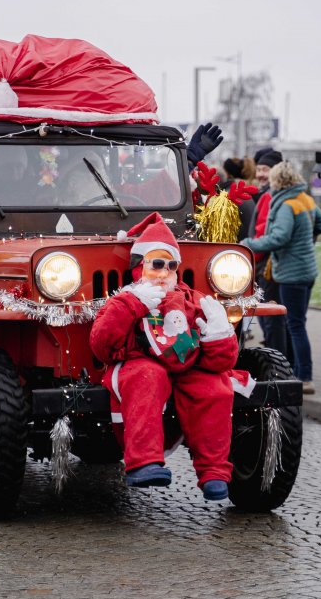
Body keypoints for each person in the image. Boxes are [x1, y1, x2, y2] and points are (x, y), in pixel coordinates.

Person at [89, 212, 242, 501]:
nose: (163, 273)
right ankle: (144, 462)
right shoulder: (125, 298)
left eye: (171, 266)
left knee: (214, 388)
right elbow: (103, 345)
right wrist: (131, 305)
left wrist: (220, 335)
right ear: (140, 267)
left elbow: (220, 362)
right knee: (147, 377)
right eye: (156, 264)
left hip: (188, 365)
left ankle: (214, 472)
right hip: (138, 363)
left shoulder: (191, 299)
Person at [240, 161, 321, 394]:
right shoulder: (305, 199)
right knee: (297, 323)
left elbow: (278, 238)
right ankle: (298, 369)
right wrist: (306, 238)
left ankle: (305, 377)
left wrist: (248, 244)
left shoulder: (288, 205)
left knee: (295, 325)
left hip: (292, 272)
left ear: (277, 180)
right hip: (306, 270)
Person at [247, 150, 288, 357]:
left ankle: (278, 366)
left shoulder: (268, 197)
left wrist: (249, 255)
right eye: (259, 170)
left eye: (266, 170)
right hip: (274, 265)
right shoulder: (281, 195)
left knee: (272, 321)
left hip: (266, 267)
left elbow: (262, 232)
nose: (261, 174)